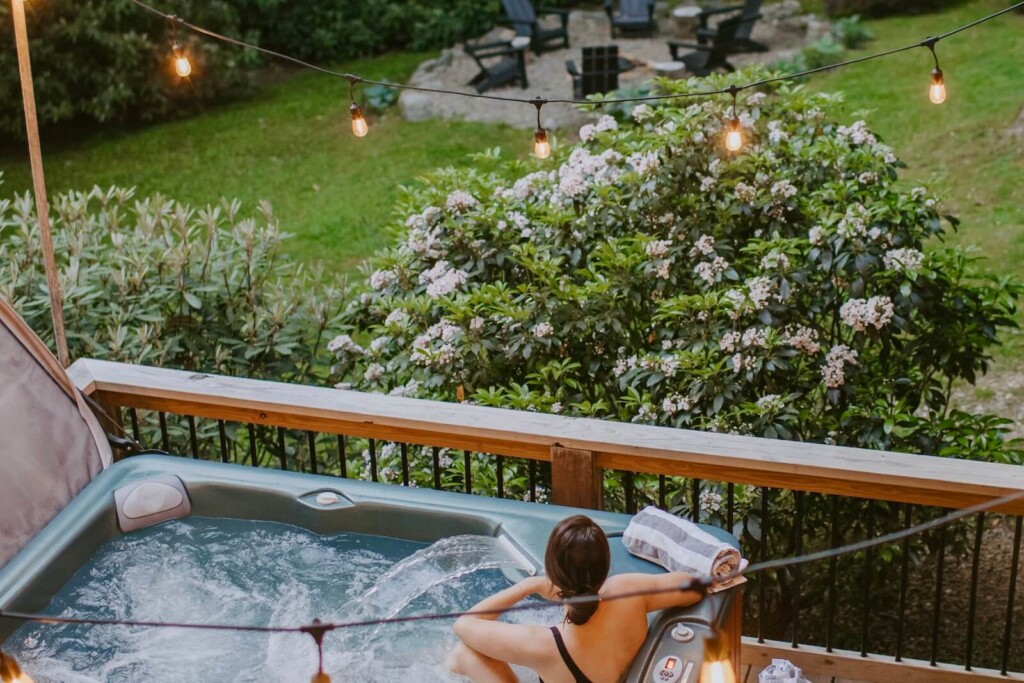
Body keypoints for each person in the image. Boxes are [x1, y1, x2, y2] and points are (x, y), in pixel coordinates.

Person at [447, 514, 703, 683]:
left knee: (465, 653)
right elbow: (693, 587)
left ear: (553, 570)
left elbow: (463, 625)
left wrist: (527, 586)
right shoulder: (628, 589)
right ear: (606, 563)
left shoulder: (544, 644)